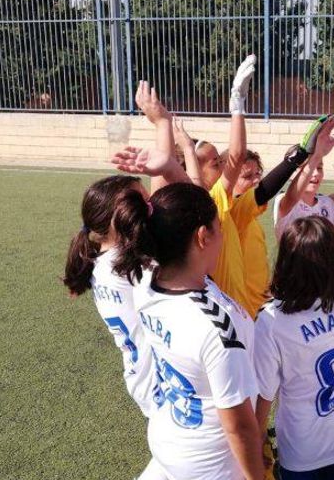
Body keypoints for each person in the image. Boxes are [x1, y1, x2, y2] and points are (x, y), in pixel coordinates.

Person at [113, 182, 264, 480]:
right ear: (202, 236)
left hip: (168, 438)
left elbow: (167, 214)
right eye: (218, 227)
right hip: (209, 465)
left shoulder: (146, 281)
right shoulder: (217, 329)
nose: (222, 236)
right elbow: (238, 425)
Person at [253, 125, 334, 480]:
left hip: (300, 454)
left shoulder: (272, 320)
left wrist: (261, 446)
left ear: (286, 261)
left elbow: (264, 400)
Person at [113, 55, 255, 311]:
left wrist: (172, 143)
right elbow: (235, 158)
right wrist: (237, 105)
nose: (223, 166)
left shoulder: (154, 279)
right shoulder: (208, 203)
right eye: (214, 163)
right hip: (228, 310)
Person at [62, 175, 157, 419]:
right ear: (120, 216)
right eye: (143, 203)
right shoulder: (133, 267)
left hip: (142, 377)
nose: (152, 208)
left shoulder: (103, 262)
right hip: (161, 383)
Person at [229, 117, 334, 317]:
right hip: (279, 296)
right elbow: (280, 194)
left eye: (258, 174)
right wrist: (310, 155)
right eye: (247, 176)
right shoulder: (237, 212)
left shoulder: (328, 206)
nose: (256, 180)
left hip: (287, 296)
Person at [272, 117, 334, 240]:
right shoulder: (283, 200)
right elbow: (292, 197)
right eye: (307, 168)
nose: (315, 173)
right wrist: (317, 154)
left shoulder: (330, 205)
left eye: (319, 168)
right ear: (292, 173)